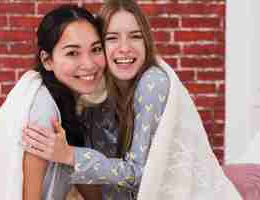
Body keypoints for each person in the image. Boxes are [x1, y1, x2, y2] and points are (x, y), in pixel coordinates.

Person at [22, 0, 242, 200]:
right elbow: (102, 181)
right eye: (112, 38)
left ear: (146, 41)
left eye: (135, 36)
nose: (125, 48)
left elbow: (140, 172)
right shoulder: (97, 94)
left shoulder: (152, 82)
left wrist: (70, 154)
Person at [0, 4, 106, 200]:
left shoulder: (68, 103)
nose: (89, 64)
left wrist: (70, 154)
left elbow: (94, 195)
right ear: (47, 60)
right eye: (72, 53)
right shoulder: (44, 110)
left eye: (96, 49)